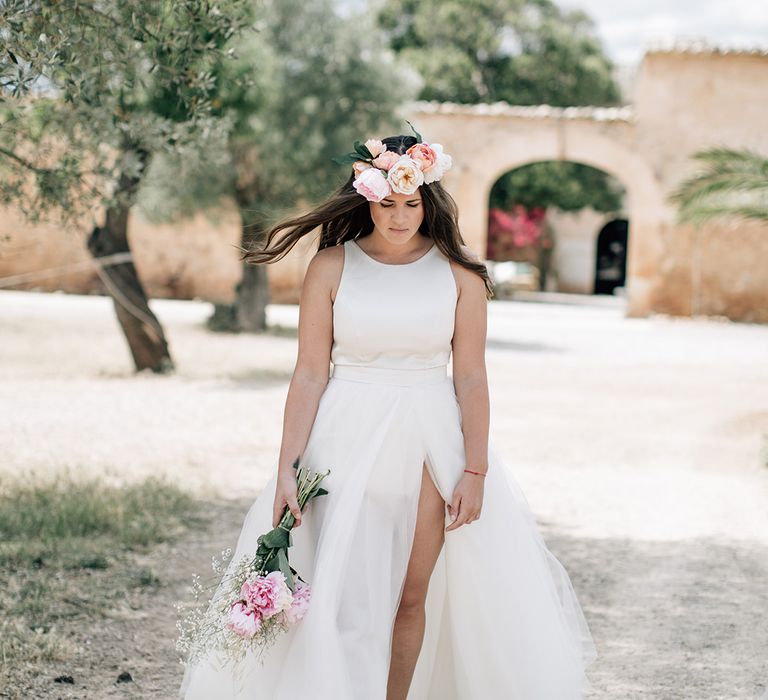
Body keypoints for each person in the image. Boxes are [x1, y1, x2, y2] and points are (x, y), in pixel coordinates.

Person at [180, 132, 597, 699]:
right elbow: (308, 374)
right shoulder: (331, 266)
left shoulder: (460, 276)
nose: (399, 217)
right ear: (365, 199)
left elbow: (471, 378)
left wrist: (475, 470)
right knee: (342, 595)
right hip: (342, 439)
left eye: (412, 203)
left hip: (429, 441)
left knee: (408, 596)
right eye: (386, 203)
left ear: (429, 200)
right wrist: (286, 468)